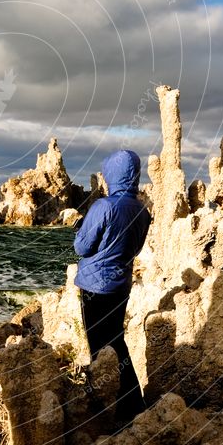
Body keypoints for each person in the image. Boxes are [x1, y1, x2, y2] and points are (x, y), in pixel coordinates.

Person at [74, 149, 151, 425]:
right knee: (117, 342)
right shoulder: (142, 211)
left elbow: (82, 247)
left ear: (113, 175)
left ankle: (109, 408)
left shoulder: (103, 207)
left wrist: (79, 226)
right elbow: (136, 248)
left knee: (99, 347)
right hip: (121, 285)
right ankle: (132, 402)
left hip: (95, 286)